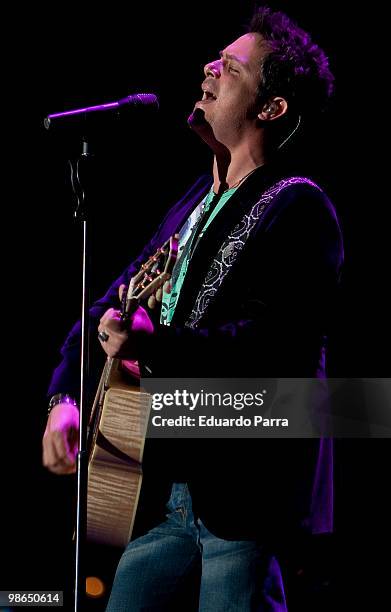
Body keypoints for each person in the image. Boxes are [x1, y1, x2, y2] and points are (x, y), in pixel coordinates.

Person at [42, 6, 343, 610]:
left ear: (271, 108)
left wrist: (152, 346)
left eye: (230, 66)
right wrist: (64, 399)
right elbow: (105, 304)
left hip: (244, 501)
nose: (209, 65)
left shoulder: (298, 207)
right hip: (160, 493)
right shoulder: (192, 208)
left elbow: (273, 347)